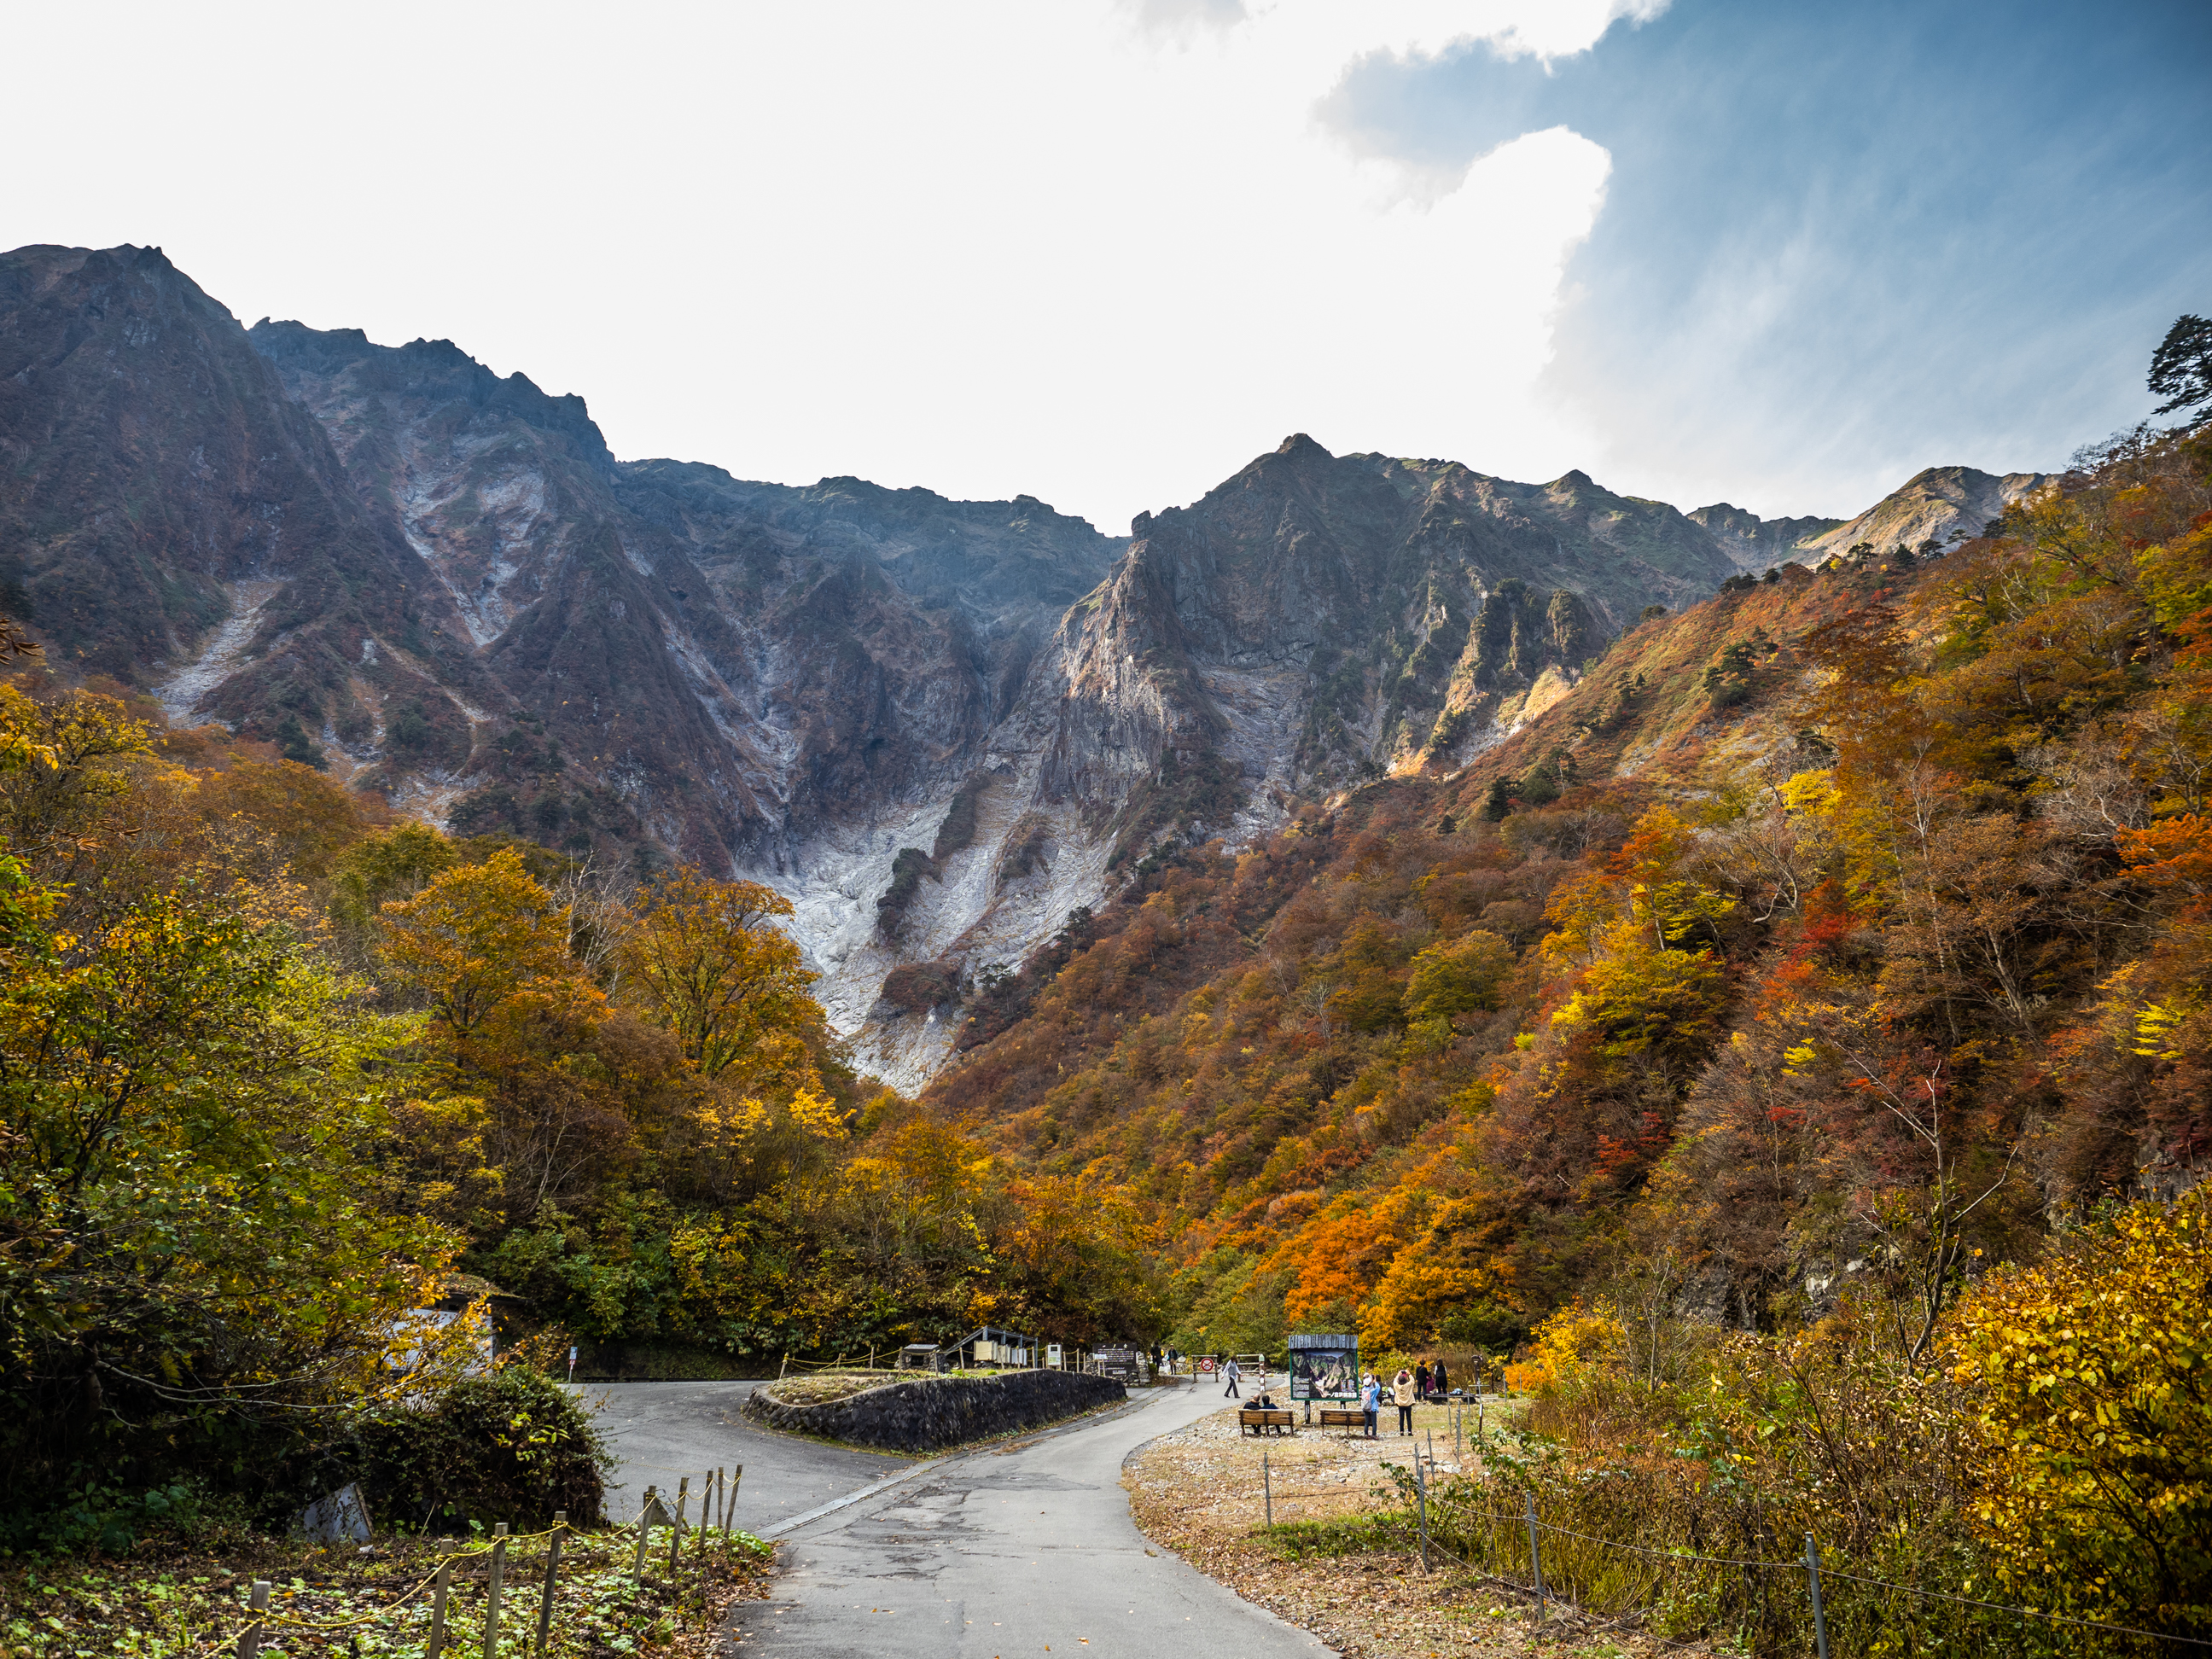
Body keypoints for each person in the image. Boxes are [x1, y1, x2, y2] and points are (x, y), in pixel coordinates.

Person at [1394, 1367, 1417, 1435]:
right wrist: (1409, 1374)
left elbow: (1394, 1382)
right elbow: (1412, 1381)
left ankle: (1401, 1431)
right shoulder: (1408, 1385)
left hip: (1400, 1404)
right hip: (1408, 1403)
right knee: (1409, 1418)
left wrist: (1398, 1375)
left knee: (1401, 1418)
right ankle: (1409, 1431)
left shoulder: (1397, 1386)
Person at [1360, 1371, 1381, 1438]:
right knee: (1374, 1423)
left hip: (1365, 1408)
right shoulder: (1372, 1391)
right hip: (1372, 1408)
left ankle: (1366, 1434)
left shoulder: (1363, 1390)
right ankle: (1374, 1435)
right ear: (1370, 1384)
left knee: (1367, 1422)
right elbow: (1378, 1388)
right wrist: (1375, 1381)